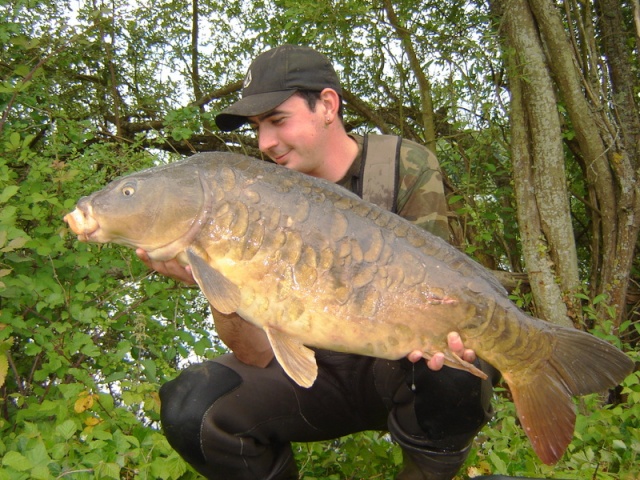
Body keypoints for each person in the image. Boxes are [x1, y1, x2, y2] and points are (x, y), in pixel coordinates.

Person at [137, 45, 497, 480]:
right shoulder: (252, 198)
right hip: (310, 375)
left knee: (460, 370)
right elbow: (253, 352)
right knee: (192, 407)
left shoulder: (401, 165)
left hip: (395, 365)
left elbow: (443, 298)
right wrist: (211, 280)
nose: (265, 143)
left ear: (327, 105)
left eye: (277, 120)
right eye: (256, 127)